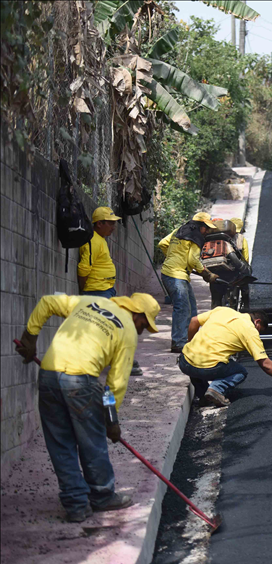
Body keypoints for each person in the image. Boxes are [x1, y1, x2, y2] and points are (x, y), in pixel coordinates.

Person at [15, 292, 160, 523]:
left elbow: (48, 302)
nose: (143, 330)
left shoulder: (90, 302)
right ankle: (102, 495)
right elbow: (116, 383)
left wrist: (30, 336)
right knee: (92, 441)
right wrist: (111, 419)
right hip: (81, 382)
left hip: (49, 377)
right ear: (137, 314)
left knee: (60, 443)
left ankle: (76, 505)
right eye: (144, 324)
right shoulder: (128, 331)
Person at [178, 308, 272, 407]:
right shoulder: (250, 330)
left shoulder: (223, 310)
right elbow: (265, 364)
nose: (258, 333)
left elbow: (194, 321)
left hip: (184, 361)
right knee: (240, 372)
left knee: (199, 362)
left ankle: (203, 396)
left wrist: (190, 344)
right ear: (257, 322)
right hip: (208, 368)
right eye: (259, 330)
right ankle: (216, 389)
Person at [78, 206, 143, 376]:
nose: (114, 227)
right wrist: (84, 291)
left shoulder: (100, 239)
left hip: (104, 291)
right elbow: (84, 269)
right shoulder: (93, 240)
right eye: (110, 224)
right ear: (99, 224)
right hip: (97, 292)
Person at [159, 212, 218, 353]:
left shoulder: (179, 230)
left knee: (192, 308)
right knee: (182, 308)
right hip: (176, 276)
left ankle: (193, 340)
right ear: (200, 226)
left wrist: (175, 256)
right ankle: (178, 343)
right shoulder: (196, 236)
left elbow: (162, 244)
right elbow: (193, 260)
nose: (207, 231)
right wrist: (206, 273)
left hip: (172, 273)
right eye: (206, 228)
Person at [208, 217, 252, 310]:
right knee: (246, 280)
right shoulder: (240, 238)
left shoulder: (211, 239)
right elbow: (246, 258)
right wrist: (245, 268)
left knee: (215, 300)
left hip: (215, 272)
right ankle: (246, 305)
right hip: (234, 273)